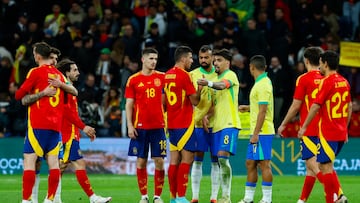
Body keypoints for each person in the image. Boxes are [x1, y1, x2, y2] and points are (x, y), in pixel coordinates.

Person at [15, 42, 70, 203]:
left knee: (29, 161)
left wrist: (39, 94)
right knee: (53, 164)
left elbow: (19, 95)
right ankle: (50, 199)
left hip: (38, 125)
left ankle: (26, 200)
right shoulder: (60, 76)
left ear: (38, 56)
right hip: (55, 126)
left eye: (33, 53)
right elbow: (66, 100)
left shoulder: (36, 72)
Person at [55, 59, 112, 203]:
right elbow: (67, 113)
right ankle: (92, 198)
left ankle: (53, 198)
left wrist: (81, 128)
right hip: (67, 133)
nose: (78, 72)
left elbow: (72, 114)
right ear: (66, 72)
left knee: (60, 167)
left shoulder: (69, 88)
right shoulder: (66, 89)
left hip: (71, 132)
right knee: (76, 164)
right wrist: (84, 127)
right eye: (74, 70)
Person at [298, 51, 351, 203]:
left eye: (321, 63)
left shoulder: (326, 82)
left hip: (328, 132)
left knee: (325, 167)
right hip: (341, 132)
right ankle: (336, 197)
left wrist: (304, 127)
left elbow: (315, 106)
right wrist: (345, 129)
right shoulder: (344, 81)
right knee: (324, 166)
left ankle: (334, 199)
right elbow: (349, 106)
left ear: (326, 64)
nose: (319, 66)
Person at [277, 47, 324, 203]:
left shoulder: (303, 79)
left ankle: (336, 192)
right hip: (325, 126)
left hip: (309, 127)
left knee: (312, 163)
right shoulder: (327, 78)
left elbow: (296, 106)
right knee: (310, 169)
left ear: (306, 60)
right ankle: (302, 200)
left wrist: (283, 124)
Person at [30, 46, 77, 203]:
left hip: (55, 129)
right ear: (43, 58)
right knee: (36, 163)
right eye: (52, 58)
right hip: (37, 126)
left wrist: (61, 84)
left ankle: (54, 198)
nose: (54, 62)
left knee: (57, 165)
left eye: (56, 59)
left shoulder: (59, 79)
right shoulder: (36, 75)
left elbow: (74, 91)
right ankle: (33, 199)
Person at [197, 48, 241, 203]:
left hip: (229, 124)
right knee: (218, 161)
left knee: (222, 159)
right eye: (214, 60)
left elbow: (222, 86)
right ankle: (222, 197)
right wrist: (206, 116)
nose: (215, 63)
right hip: (216, 126)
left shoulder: (230, 75)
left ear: (227, 62)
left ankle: (226, 196)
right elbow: (216, 105)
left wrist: (207, 82)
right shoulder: (216, 78)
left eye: (219, 60)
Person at [125, 48, 166, 203]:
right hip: (140, 127)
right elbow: (129, 104)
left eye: (155, 58)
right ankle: (144, 196)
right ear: (143, 59)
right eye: (150, 58)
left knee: (160, 161)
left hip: (159, 127)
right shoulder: (133, 80)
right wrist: (130, 125)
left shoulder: (162, 77)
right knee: (141, 161)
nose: (154, 61)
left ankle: (157, 196)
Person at [165, 46, 201, 203]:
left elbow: (163, 103)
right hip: (184, 123)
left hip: (171, 123)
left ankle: (173, 198)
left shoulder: (167, 75)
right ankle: (181, 197)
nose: (192, 61)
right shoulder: (184, 76)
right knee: (187, 158)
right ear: (183, 58)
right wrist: (200, 88)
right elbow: (195, 101)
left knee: (174, 160)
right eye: (191, 58)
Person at [238, 55, 275, 203]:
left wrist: (255, 134)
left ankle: (266, 199)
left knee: (264, 164)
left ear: (251, 67)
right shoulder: (261, 83)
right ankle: (248, 198)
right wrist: (248, 108)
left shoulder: (263, 84)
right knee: (250, 163)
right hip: (259, 131)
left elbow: (263, 111)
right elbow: (260, 107)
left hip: (262, 131)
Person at [190, 45, 219, 203]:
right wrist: (201, 117)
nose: (203, 60)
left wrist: (209, 115)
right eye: (201, 58)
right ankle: (195, 196)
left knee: (216, 159)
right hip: (198, 124)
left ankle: (214, 197)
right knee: (198, 157)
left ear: (212, 57)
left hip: (217, 123)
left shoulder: (219, 75)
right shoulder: (192, 75)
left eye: (206, 57)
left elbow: (220, 101)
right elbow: (191, 100)